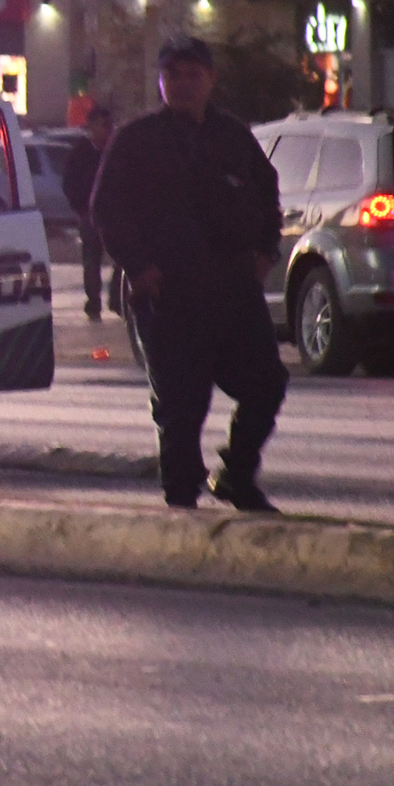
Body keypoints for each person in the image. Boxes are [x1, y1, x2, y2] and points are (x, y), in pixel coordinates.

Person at [89, 35, 287, 512]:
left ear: (211, 79)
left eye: (192, 74)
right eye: (172, 74)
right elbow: (106, 208)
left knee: (265, 384)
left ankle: (237, 475)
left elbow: (267, 194)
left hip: (232, 290)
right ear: (160, 81)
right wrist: (139, 267)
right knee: (181, 404)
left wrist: (265, 251)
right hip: (169, 293)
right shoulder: (137, 140)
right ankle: (181, 500)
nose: (182, 83)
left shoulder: (232, 136)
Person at [59, 105, 121, 321]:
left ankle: (116, 298)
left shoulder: (115, 152)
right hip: (89, 215)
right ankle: (93, 301)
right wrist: (81, 208)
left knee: (121, 257)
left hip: (114, 215)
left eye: (110, 126)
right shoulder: (81, 153)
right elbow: (70, 183)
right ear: (92, 126)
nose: (108, 130)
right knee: (91, 260)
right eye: (103, 126)